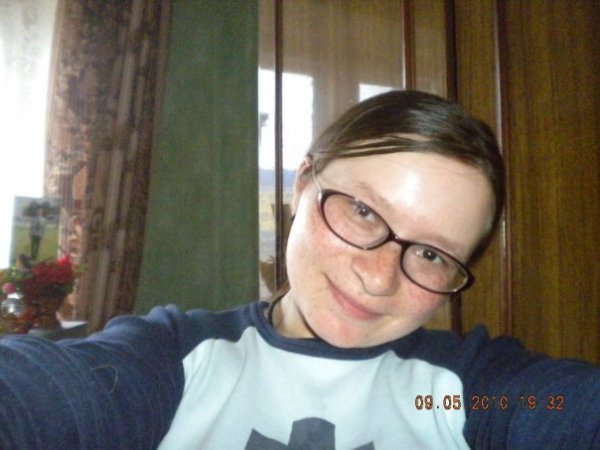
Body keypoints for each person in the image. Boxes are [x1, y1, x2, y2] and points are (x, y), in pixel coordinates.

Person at [0, 90, 598, 449]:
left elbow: (560, 410)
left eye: (430, 254)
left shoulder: (456, 394)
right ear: (304, 182)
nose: (379, 278)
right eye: (363, 211)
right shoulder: (175, 364)